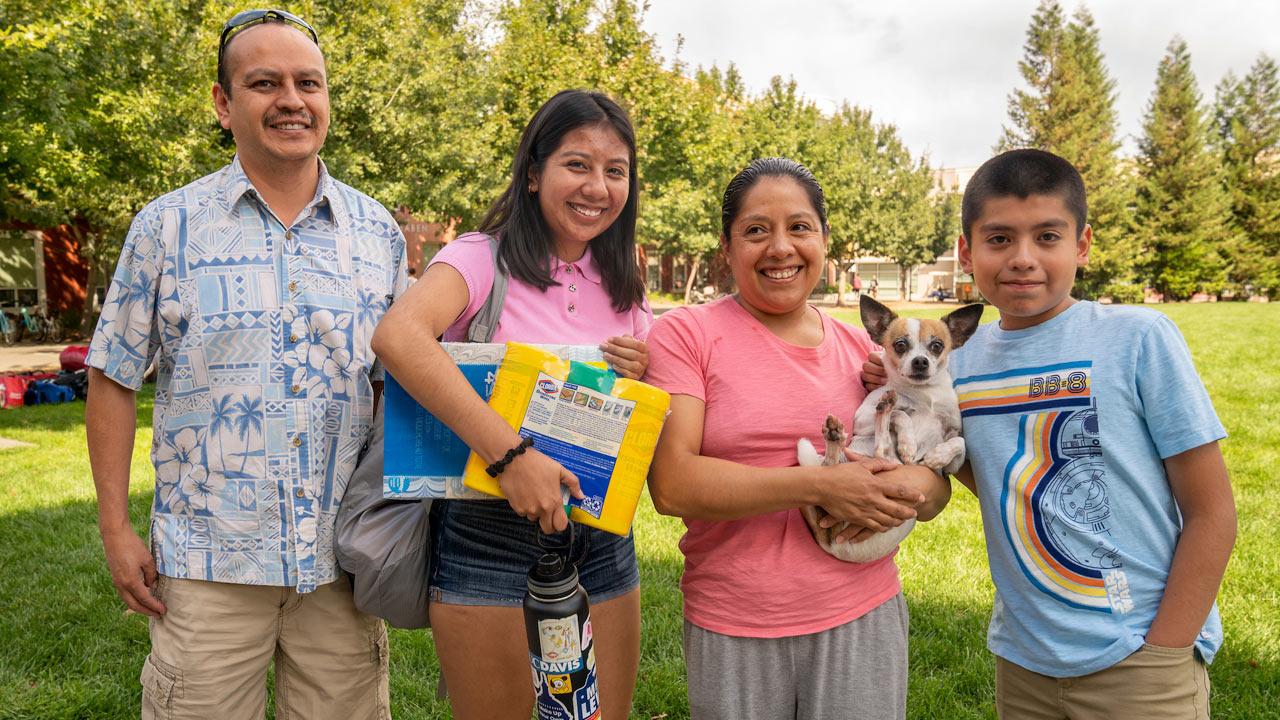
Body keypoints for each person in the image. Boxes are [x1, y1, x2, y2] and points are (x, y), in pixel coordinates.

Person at [85, 10, 406, 718]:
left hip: (341, 568)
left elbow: (396, 387)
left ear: (327, 100)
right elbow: (111, 376)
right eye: (265, 83)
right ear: (224, 104)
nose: (291, 99)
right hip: (207, 569)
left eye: (308, 83)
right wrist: (116, 526)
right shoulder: (167, 227)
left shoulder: (377, 232)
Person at [870, 148, 1236, 719]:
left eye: (1047, 236)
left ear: (1082, 245)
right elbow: (990, 472)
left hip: (1141, 655)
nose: (1022, 259)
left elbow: (1212, 509)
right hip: (1024, 659)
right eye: (998, 240)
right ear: (966, 252)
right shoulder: (954, 365)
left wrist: (1168, 646)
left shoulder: (1140, 338)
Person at [371, 89, 650, 719]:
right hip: (486, 535)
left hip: (600, 537)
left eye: (616, 171)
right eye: (576, 164)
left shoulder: (625, 282)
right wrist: (511, 456)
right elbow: (397, 337)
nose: (597, 186)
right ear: (533, 173)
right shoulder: (480, 256)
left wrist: (640, 372)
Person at [644, 157, 952, 720]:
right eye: (756, 230)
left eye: (800, 227)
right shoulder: (686, 335)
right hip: (736, 624)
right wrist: (820, 486)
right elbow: (673, 486)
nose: (780, 247)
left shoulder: (870, 353)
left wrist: (912, 484)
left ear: (824, 241)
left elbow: (934, 495)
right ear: (727, 246)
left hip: (863, 613)